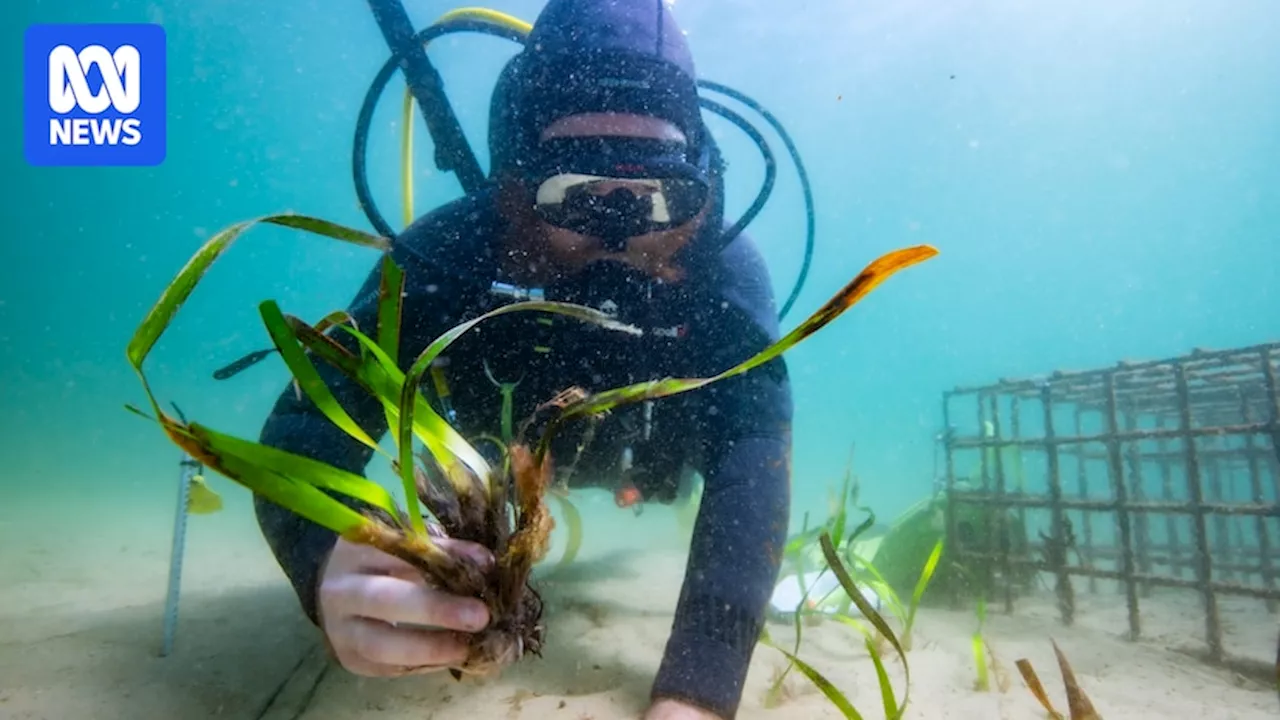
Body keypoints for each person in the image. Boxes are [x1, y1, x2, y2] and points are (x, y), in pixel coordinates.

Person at [254, 0, 792, 718]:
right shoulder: (449, 257)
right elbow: (303, 431)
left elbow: (754, 459)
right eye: (576, 195)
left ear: (697, 191)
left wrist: (698, 690)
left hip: (646, 462)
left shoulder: (719, 273)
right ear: (514, 188)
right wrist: (324, 556)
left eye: (652, 199)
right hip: (493, 456)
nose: (618, 238)